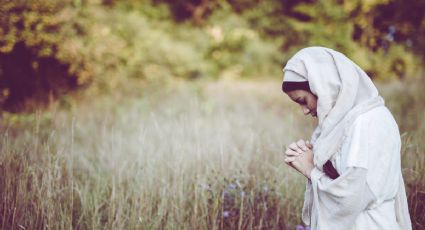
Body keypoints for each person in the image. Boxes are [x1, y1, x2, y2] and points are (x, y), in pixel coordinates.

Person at [281, 46, 412, 229]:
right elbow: (348, 177)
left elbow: (352, 198)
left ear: (323, 87)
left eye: (303, 101)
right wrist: (315, 159)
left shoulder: (367, 122)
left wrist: (310, 170)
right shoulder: (344, 124)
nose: (304, 110)